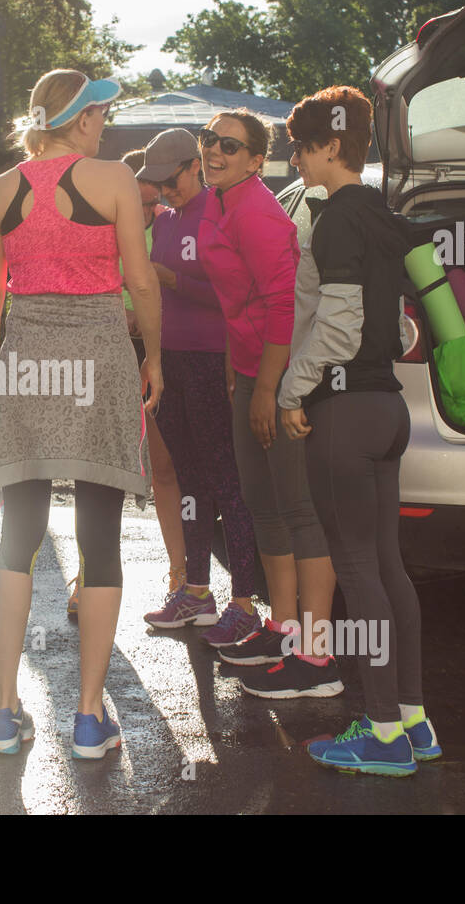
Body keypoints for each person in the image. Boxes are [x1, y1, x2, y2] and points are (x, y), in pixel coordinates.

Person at [0, 69, 163, 759]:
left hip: (24, 360)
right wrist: (157, 356)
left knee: (17, 535)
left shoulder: (2, 189)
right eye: (101, 113)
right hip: (99, 358)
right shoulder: (112, 178)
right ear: (79, 120)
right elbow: (140, 279)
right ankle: (88, 717)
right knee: (100, 537)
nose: (106, 124)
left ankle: (2, 711)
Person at [278, 86, 439, 775]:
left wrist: (292, 388)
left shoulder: (338, 218)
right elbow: (393, 323)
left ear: (331, 147)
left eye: (302, 145)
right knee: (388, 569)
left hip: (344, 415)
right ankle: (412, 720)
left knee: (357, 573)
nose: (296, 157)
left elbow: (339, 325)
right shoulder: (385, 216)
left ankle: (378, 734)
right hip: (389, 410)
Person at [195, 108, 342, 699]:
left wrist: (267, 389)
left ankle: (317, 655)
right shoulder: (217, 200)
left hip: (284, 374)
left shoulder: (256, 210)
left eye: (229, 146)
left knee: (299, 507)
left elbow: (284, 304)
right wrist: (239, 370)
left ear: (258, 160)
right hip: (250, 367)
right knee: (262, 502)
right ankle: (282, 629)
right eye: (209, 140)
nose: (214, 152)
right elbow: (237, 303)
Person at [134, 129, 264, 646]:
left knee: (227, 481)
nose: (165, 193)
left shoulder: (222, 209)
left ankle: (246, 602)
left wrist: (172, 281)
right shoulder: (165, 220)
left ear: (194, 167)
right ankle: (195, 592)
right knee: (190, 482)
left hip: (215, 361)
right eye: (157, 186)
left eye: (172, 182)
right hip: (172, 363)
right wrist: (153, 356)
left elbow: (241, 294)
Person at [67, 148, 182, 619]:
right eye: (141, 202)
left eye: (155, 203)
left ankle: (181, 578)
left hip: (159, 353)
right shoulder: (96, 224)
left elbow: (184, 286)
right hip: (104, 350)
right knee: (95, 470)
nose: (149, 211)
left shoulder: (173, 226)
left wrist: (148, 322)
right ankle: (88, 573)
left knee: (164, 469)